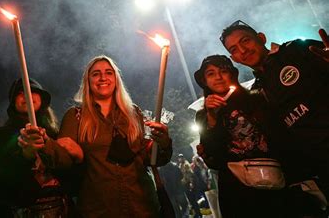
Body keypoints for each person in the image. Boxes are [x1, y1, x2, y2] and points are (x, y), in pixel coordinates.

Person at [24, 55, 173, 217]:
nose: (103, 77)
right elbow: (63, 159)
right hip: (99, 209)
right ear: (88, 81)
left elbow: (149, 158)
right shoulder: (75, 116)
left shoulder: (133, 113)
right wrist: (44, 143)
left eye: (109, 72)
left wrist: (163, 143)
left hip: (142, 207)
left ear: (116, 79)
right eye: (96, 74)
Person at [220, 21, 329, 216]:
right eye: (234, 50)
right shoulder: (255, 92)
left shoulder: (298, 50)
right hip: (320, 168)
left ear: (261, 38)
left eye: (245, 41)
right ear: (233, 58)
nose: (243, 50)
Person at [194, 54, 285, 218]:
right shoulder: (203, 116)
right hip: (236, 190)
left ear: (232, 75)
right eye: (211, 73)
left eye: (223, 71)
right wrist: (212, 117)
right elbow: (213, 157)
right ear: (205, 81)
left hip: (272, 181)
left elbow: (279, 138)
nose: (218, 77)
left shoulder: (256, 99)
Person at [0, 78, 80, 217]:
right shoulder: (0, 137)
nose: (26, 95)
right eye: (20, 93)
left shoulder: (55, 135)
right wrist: (24, 156)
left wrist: (78, 157)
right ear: (13, 103)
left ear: (42, 100)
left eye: (33, 91)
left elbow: (74, 184)